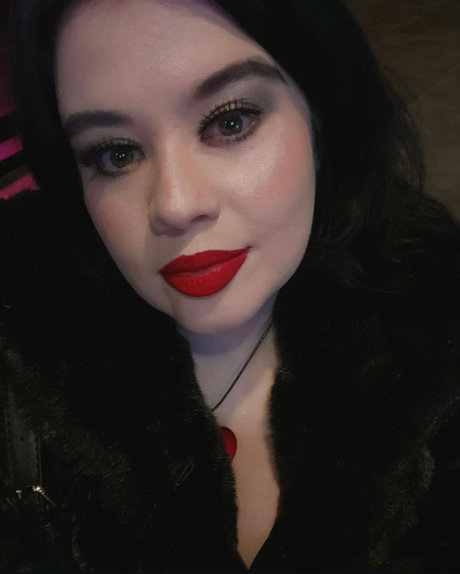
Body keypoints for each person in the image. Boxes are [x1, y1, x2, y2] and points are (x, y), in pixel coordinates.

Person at [1, 0, 459, 570]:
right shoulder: (21, 338)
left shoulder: (436, 321)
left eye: (230, 121)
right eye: (115, 154)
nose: (175, 204)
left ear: (322, 115)